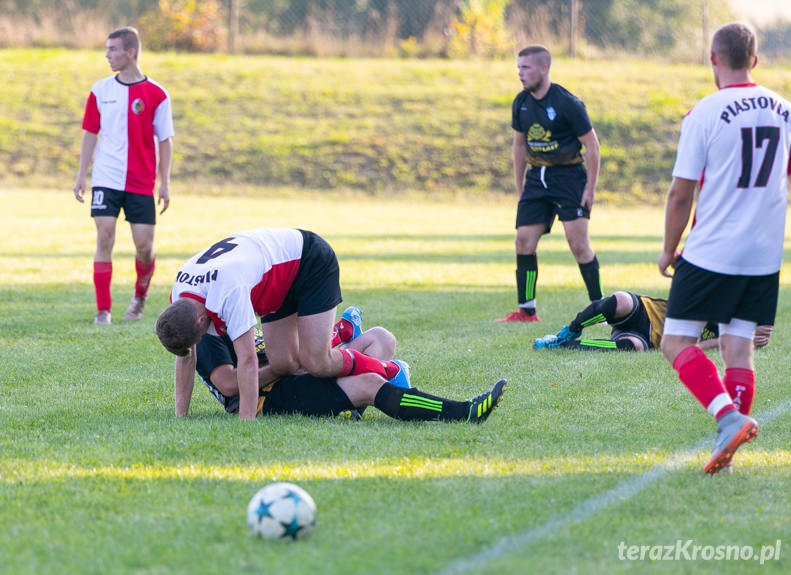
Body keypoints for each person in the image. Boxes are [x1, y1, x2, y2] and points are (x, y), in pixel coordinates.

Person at [658, 23, 790, 474]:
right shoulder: (786, 111)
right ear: (754, 60)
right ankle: (727, 451)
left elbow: (681, 193)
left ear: (713, 59)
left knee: (675, 342)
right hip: (763, 255)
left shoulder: (705, 112)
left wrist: (667, 249)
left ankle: (726, 417)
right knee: (739, 348)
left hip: (713, 251)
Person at [155, 228, 413, 421]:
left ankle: (388, 370)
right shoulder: (181, 293)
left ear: (201, 320)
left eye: (200, 336)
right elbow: (188, 358)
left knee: (316, 362)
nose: (204, 339)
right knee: (286, 362)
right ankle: (338, 337)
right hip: (277, 275)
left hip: (308, 260)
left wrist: (246, 423)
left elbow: (247, 360)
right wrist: (181, 417)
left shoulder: (227, 291)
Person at [187, 307, 506, 424]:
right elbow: (230, 385)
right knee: (370, 383)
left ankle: (350, 400)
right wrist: (286, 365)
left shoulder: (225, 313)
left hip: (297, 376)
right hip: (270, 397)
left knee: (380, 338)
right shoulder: (206, 334)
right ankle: (465, 412)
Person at [73, 26, 174, 325]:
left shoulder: (157, 94)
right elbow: (90, 133)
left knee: (144, 246)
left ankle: (140, 298)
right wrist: (82, 175)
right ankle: (103, 310)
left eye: (113, 50)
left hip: (141, 182)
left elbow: (166, 140)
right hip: (106, 178)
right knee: (104, 236)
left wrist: (165, 182)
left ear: (130, 53)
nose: (107, 55)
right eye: (107, 50)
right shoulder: (99, 90)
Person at [497, 45, 602, 323]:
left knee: (578, 244)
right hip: (537, 179)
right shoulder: (520, 102)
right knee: (523, 241)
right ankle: (527, 312)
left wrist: (590, 188)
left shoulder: (568, 103)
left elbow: (592, 146)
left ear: (544, 69)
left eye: (526, 67)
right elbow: (519, 145)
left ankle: (599, 307)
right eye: (518, 67)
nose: (520, 73)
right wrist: (520, 187)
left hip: (569, 178)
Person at [532, 290, 772, 352]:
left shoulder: (732, 331)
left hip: (647, 338)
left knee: (633, 348)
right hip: (644, 311)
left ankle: (562, 345)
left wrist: (739, 340)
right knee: (620, 300)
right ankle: (570, 331)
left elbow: (693, 348)